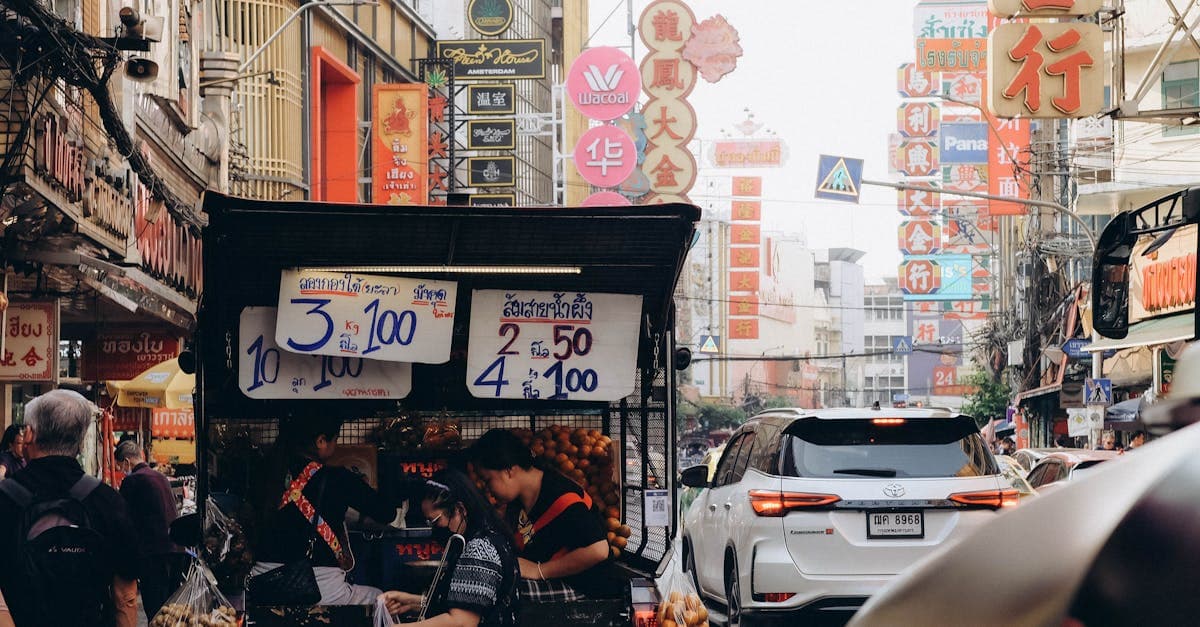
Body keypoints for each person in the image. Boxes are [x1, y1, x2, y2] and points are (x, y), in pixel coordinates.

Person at [0, 390, 140, 626]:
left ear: (31, 434)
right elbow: (125, 597)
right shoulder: (107, 501)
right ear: (82, 438)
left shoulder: (5, 499)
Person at [249, 415, 406, 606]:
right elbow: (386, 512)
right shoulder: (338, 478)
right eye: (335, 439)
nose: (336, 445)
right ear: (321, 441)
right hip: (318, 585)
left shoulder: (263, 475)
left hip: (263, 583)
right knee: (381, 600)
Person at [471, 429, 611, 601]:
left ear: (508, 470)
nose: (488, 490)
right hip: (550, 582)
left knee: (499, 593)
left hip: (582, 589)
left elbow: (599, 550)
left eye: (487, 480)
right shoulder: (519, 501)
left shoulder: (562, 497)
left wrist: (540, 571)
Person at [378, 470, 520, 626]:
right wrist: (412, 602)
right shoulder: (487, 538)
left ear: (460, 509)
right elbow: (467, 603)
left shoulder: (479, 550)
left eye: (435, 520)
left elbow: (461, 622)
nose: (435, 528)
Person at [115, 440, 186, 621]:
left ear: (126, 462)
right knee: (171, 611)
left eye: (121, 467)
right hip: (177, 550)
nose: (122, 471)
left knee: (156, 612)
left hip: (154, 555)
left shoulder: (132, 481)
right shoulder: (160, 477)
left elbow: (122, 520)